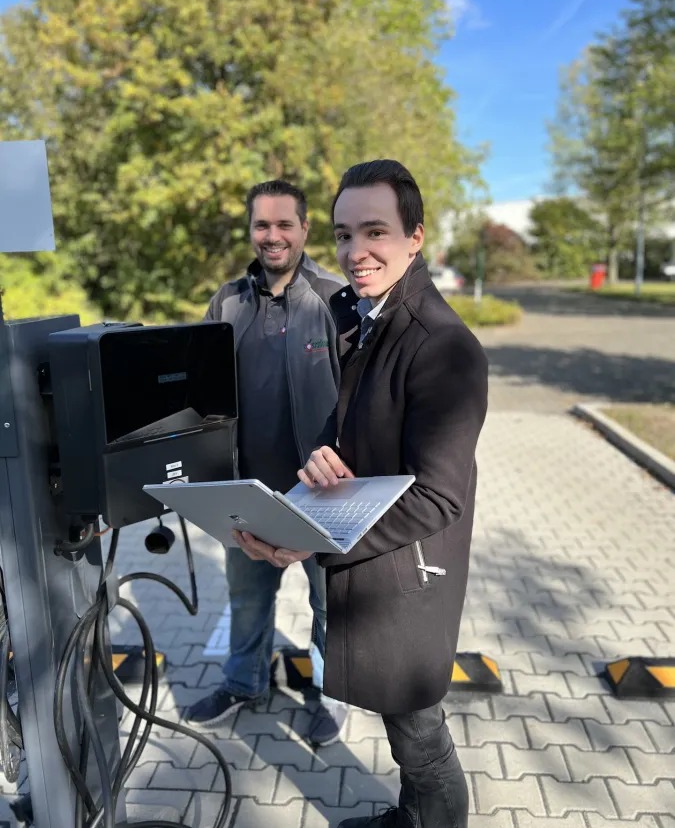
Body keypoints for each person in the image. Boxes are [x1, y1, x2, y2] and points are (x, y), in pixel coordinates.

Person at [234, 160, 489, 827]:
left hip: (409, 571)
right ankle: (409, 817)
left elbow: (438, 497)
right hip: (367, 562)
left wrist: (310, 536)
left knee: (419, 733)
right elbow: (344, 426)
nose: (354, 252)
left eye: (374, 231)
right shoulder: (356, 315)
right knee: (403, 731)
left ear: (415, 237)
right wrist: (322, 459)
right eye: (345, 234)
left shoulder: (444, 347)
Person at [186, 179, 349, 746]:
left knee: (329, 605)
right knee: (248, 597)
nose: (272, 236)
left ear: (305, 228)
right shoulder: (228, 301)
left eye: (285, 224)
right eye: (262, 225)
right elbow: (205, 396)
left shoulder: (335, 297)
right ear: (251, 230)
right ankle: (243, 683)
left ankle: (331, 694)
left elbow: (361, 397)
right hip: (247, 490)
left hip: (322, 496)